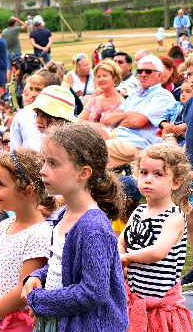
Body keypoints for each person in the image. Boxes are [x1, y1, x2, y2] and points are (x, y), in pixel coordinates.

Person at [20, 123, 127, 331]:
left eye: (53, 163)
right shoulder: (64, 215)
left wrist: (41, 300)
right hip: (61, 319)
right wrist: (38, 276)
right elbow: (64, 268)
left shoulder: (93, 227)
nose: (42, 170)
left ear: (83, 173)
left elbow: (94, 292)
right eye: (44, 161)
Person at [0, 148, 52, 332]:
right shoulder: (5, 225)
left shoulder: (38, 234)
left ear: (27, 191)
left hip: (16, 322)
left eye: (1, 184)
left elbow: (24, 289)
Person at [117, 144, 193, 330]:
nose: (148, 179)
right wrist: (121, 259)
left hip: (160, 305)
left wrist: (127, 257)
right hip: (135, 297)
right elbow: (123, 240)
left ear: (176, 182)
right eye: (143, 172)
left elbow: (158, 252)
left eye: (158, 174)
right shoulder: (139, 210)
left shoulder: (174, 217)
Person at [102, 55, 175, 168]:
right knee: (87, 134)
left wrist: (124, 117)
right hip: (118, 134)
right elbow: (107, 119)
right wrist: (130, 116)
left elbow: (137, 121)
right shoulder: (135, 95)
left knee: (91, 149)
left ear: (159, 75)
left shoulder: (163, 96)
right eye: (140, 71)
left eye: (148, 71)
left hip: (136, 143)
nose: (143, 74)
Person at [179, 50, 193, 287]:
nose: (192, 79)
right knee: (191, 217)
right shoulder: (191, 103)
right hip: (192, 172)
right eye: (190, 74)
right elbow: (190, 135)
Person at [9, 68, 61, 151]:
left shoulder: (60, 116)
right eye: (31, 89)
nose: (32, 94)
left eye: (38, 90)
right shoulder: (22, 116)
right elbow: (15, 149)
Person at [78, 59, 125, 123]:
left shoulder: (122, 104)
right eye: (98, 76)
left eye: (105, 76)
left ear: (114, 78)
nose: (101, 79)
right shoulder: (94, 100)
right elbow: (79, 121)